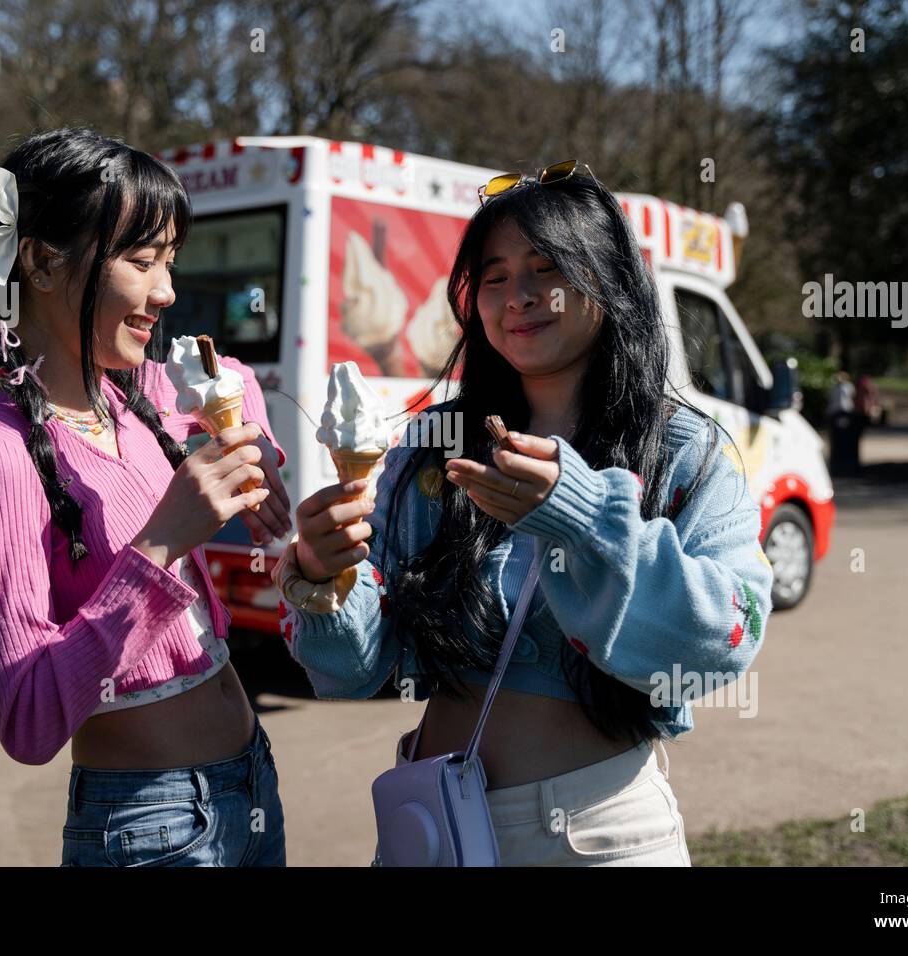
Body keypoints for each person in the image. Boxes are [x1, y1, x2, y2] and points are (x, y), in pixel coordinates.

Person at [274, 163, 773, 866]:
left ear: (608, 280)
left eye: (546, 269)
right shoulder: (432, 447)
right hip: (436, 829)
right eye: (496, 276)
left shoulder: (682, 452)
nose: (519, 297)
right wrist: (327, 580)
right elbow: (353, 671)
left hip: (601, 838)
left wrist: (583, 516)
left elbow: (727, 638)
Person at [0, 128, 292, 867]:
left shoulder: (140, 396)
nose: (167, 291)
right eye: (142, 260)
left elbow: (233, 380)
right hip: (148, 827)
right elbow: (26, 718)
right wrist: (160, 547)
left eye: (171, 262)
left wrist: (254, 444)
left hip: (251, 786)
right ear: (39, 259)